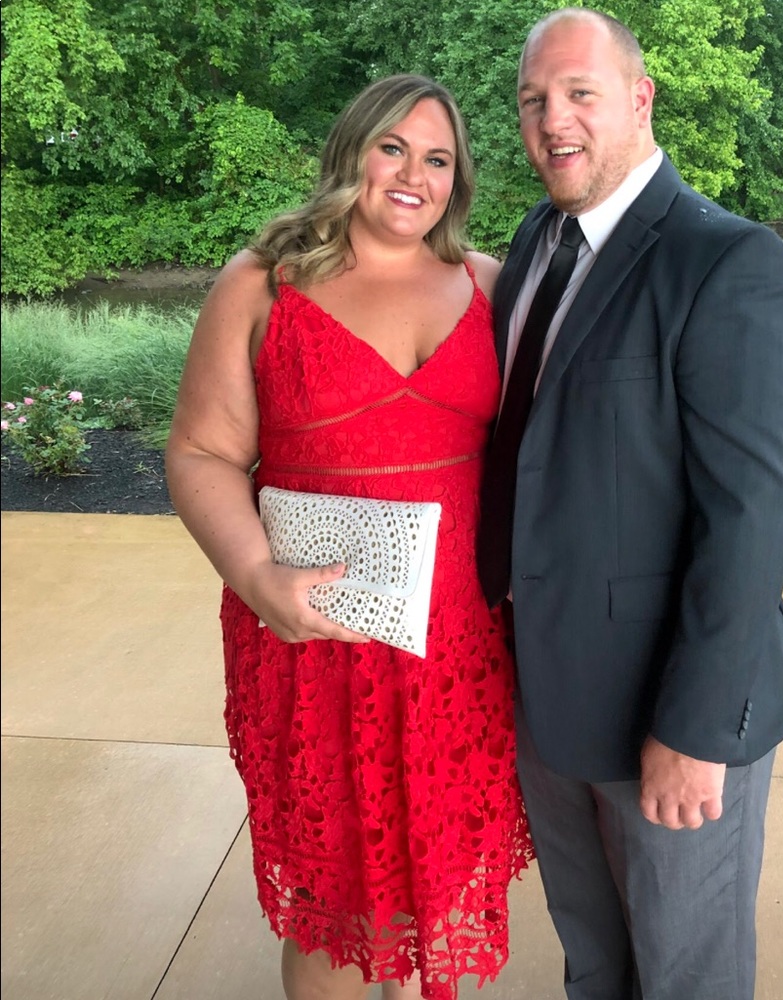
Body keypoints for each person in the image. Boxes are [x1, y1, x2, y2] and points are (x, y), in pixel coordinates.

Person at [165, 75, 531, 1000]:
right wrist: (256, 576)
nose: (415, 175)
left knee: (439, 887)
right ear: (351, 154)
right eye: (394, 149)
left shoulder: (492, 284)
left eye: (438, 158)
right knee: (342, 902)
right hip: (316, 636)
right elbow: (202, 452)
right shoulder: (263, 284)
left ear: (460, 178)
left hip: (460, 643)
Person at [476, 9, 783, 1000]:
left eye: (579, 93)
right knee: (596, 958)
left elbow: (752, 512)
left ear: (638, 98)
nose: (553, 120)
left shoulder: (726, 262)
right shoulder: (536, 240)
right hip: (549, 695)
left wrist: (696, 728)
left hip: (669, 712)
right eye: (534, 101)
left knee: (684, 975)